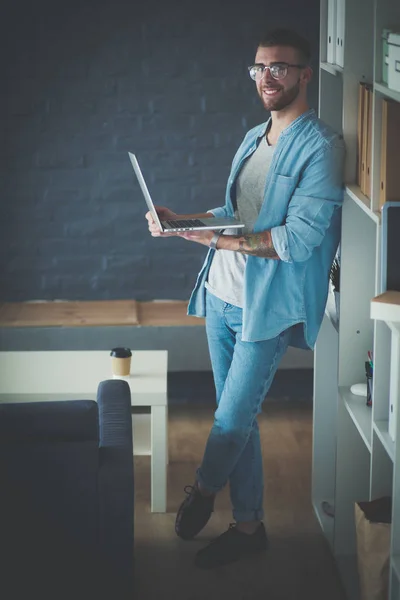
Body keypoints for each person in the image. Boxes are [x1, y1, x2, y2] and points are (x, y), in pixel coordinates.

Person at [146, 27, 345, 569]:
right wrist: (182, 221)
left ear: (306, 74)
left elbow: (296, 240)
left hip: (268, 308)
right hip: (221, 294)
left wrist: (214, 237)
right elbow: (235, 213)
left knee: (231, 420)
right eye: (259, 68)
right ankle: (250, 524)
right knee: (242, 417)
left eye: (279, 67)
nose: (267, 77)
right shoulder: (254, 137)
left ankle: (205, 489)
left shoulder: (321, 147)